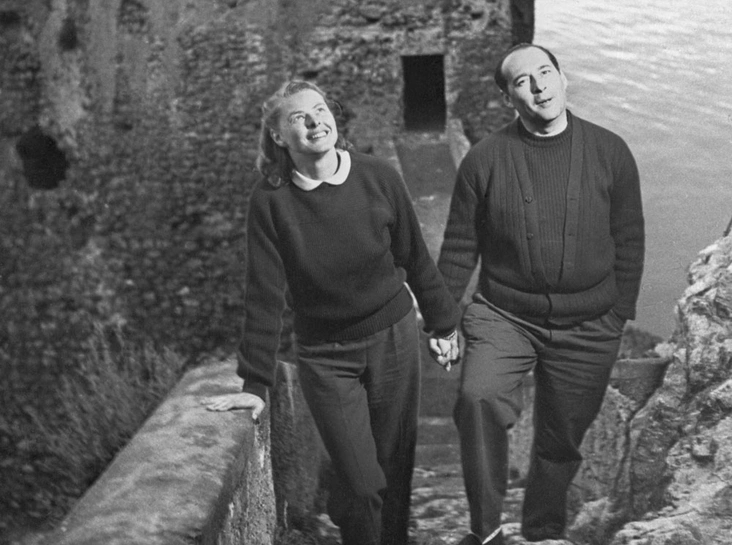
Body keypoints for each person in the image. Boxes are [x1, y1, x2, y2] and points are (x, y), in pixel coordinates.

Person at [203, 80, 460, 545]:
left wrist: (443, 325)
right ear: (279, 136)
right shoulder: (270, 201)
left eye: (320, 110)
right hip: (325, 356)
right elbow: (264, 294)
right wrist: (256, 383)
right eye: (298, 117)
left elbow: (415, 257)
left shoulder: (378, 175)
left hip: (394, 339)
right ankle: (353, 510)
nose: (315, 121)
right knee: (362, 484)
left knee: (393, 473)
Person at [437, 44, 645, 545]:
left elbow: (629, 239)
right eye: (522, 81)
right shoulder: (484, 161)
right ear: (509, 98)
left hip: (591, 322)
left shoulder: (610, 151)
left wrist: (617, 314)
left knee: (560, 440)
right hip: (504, 315)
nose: (539, 87)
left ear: (562, 78)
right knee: (478, 400)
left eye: (546, 73)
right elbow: (460, 247)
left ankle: (542, 531)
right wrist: (441, 321)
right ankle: (486, 531)